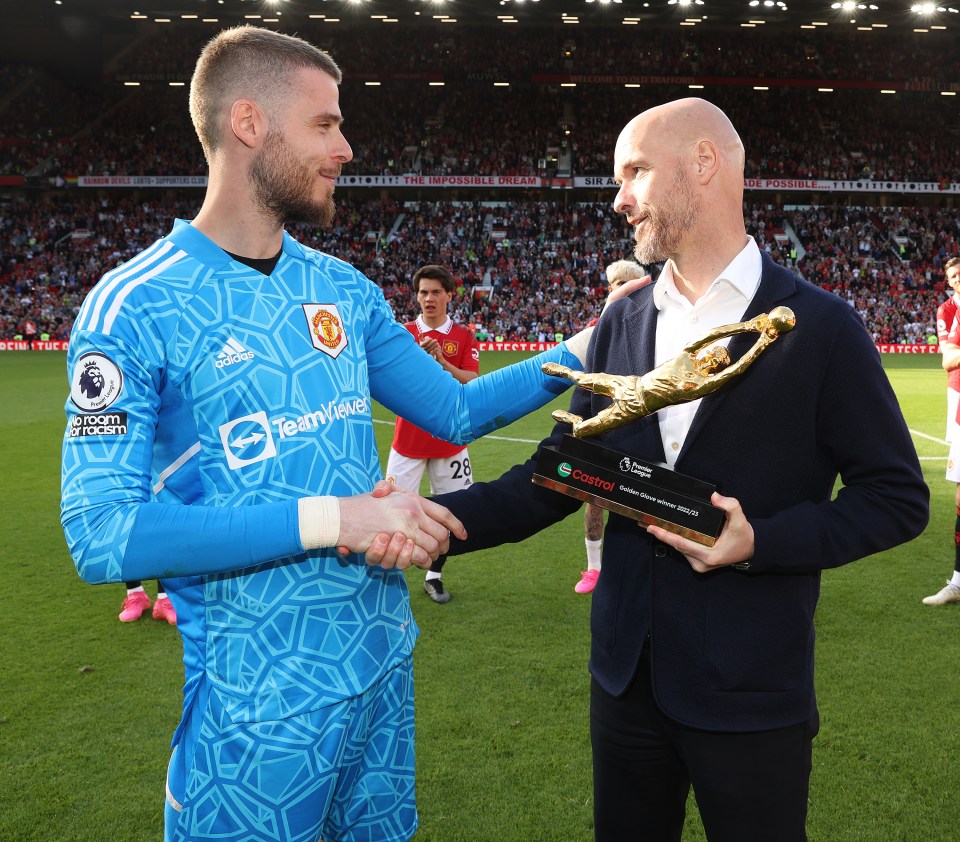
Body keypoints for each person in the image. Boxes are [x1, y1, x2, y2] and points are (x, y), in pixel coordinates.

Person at [59, 26, 598, 842]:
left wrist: (596, 345)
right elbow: (101, 534)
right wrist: (335, 518)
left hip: (382, 667)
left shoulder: (338, 285)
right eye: (326, 124)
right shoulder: (134, 306)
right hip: (256, 711)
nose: (346, 147)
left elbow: (449, 412)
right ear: (249, 123)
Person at [426, 98, 928, 841]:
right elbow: (560, 475)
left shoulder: (819, 327)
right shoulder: (621, 324)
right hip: (624, 683)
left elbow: (896, 497)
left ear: (703, 164)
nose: (618, 197)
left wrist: (761, 541)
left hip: (751, 691)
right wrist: (436, 524)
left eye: (634, 171)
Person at [386, 264, 479, 604]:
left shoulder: (464, 336)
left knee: (453, 512)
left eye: (436, 292)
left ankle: (434, 576)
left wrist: (443, 362)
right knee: (391, 511)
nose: (429, 298)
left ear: (449, 296)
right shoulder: (402, 333)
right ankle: (389, 584)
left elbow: (472, 381)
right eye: (423, 292)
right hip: (408, 440)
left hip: (450, 441)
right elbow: (389, 381)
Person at [576, 259, 652, 594]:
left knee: (645, 504)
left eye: (621, 282)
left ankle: (645, 570)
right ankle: (594, 568)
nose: (613, 288)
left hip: (644, 430)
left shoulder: (653, 324)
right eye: (610, 283)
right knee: (594, 500)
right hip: (604, 428)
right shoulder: (600, 326)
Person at [923, 256, 960, 605]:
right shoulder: (948, 310)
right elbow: (948, 359)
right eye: (953, 275)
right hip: (958, 395)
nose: (957, 278)